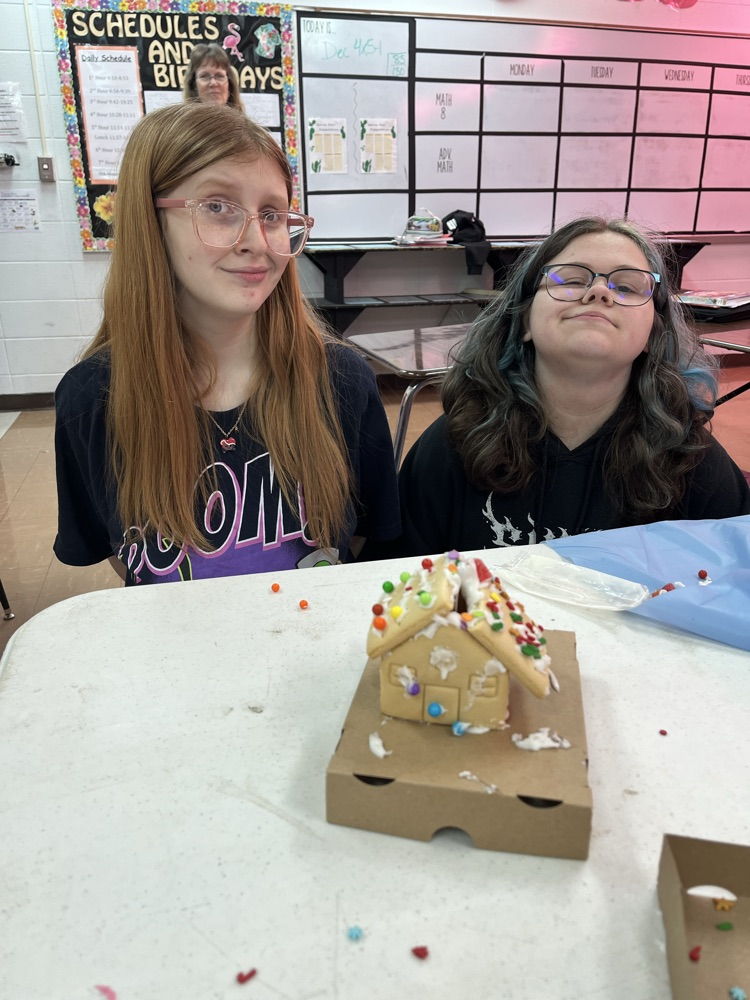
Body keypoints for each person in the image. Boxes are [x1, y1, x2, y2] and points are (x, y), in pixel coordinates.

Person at [54, 103, 400, 584]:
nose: (257, 241)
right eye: (218, 207)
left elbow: (363, 537)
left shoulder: (341, 381)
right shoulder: (91, 398)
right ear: (149, 222)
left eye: (272, 214)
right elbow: (119, 551)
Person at [393, 216, 750, 555]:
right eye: (571, 280)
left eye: (626, 286)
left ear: (651, 338)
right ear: (524, 323)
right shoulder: (453, 444)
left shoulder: (689, 458)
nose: (598, 291)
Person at [182, 43, 244, 110]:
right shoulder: (181, 120)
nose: (213, 83)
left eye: (219, 76)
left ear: (230, 83)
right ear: (193, 84)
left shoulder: (242, 120)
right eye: (204, 76)